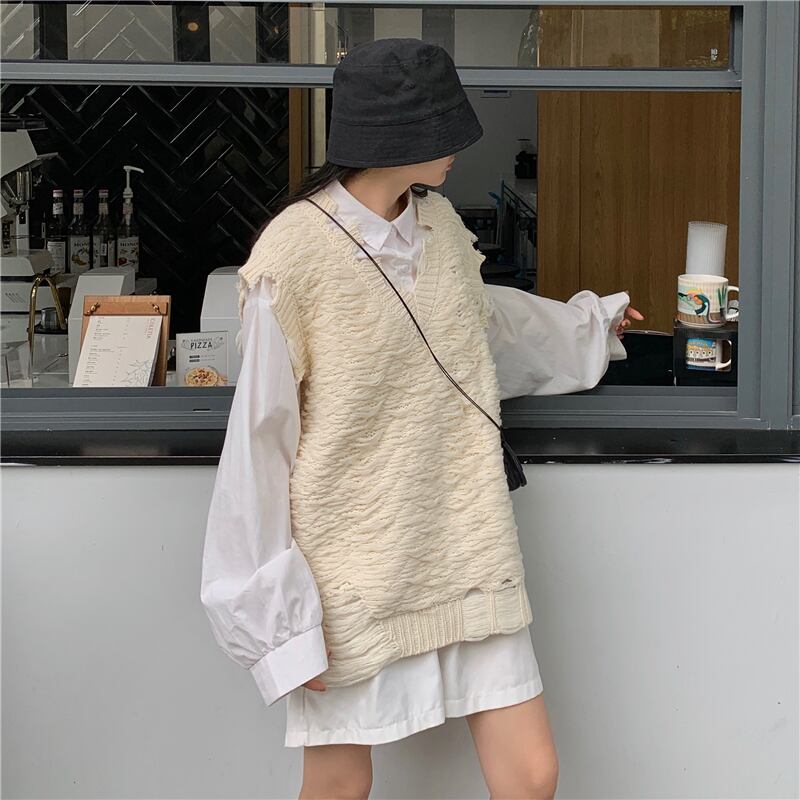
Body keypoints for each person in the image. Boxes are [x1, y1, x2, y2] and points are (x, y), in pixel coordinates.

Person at [200, 37, 644, 799]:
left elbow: (485, 328)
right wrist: (275, 625)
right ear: (394, 138)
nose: (457, 149)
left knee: (532, 775)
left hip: (466, 544)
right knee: (339, 786)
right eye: (444, 131)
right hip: (355, 566)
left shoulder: (439, 229)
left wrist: (590, 328)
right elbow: (260, 443)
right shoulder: (293, 255)